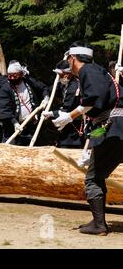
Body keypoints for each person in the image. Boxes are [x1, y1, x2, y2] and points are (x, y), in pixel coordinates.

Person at [46, 42, 123, 236]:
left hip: (115, 129)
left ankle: (99, 225)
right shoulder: (98, 72)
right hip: (112, 129)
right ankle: (98, 221)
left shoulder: (89, 71)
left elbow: (94, 99)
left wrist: (69, 116)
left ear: (73, 58)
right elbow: (101, 119)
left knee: (94, 178)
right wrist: (91, 148)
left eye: (68, 60)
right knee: (97, 175)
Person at [0, 60, 49, 145]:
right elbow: (5, 109)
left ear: (21, 74)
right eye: (10, 76)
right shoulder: (5, 89)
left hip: (31, 124)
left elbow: (43, 87)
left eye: (15, 75)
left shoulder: (29, 82)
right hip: (14, 128)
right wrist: (15, 123)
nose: (12, 78)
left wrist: (46, 97)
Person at [44, 60, 83, 148]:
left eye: (61, 75)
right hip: (66, 124)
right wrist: (46, 97)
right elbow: (49, 89)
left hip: (74, 124)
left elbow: (67, 109)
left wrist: (52, 113)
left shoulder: (74, 86)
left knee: (69, 148)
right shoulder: (63, 84)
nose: (59, 77)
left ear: (67, 74)